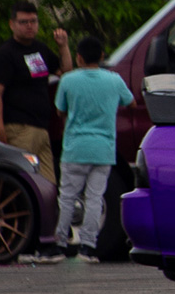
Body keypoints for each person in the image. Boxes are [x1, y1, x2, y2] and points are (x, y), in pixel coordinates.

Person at [53, 36, 133, 263]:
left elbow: (60, 111)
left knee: (67, 197)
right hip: (103, 149)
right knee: (95, 198)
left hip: (75, 148)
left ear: (78, 57)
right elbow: (131, 102)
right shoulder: (114, 80)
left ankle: (60, 244)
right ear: (101, 56)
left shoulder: (68, 80)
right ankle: (88, 247)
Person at [0, 0, 71, 185]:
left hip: (41, 129)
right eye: (24, 22)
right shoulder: (5, 55)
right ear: (12, 24)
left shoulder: (40, 49)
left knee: (48, 185)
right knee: (23, 182)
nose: (29, 26)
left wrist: (63, 46)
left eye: (33, 21)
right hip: (18, 128)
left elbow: (65, 72)